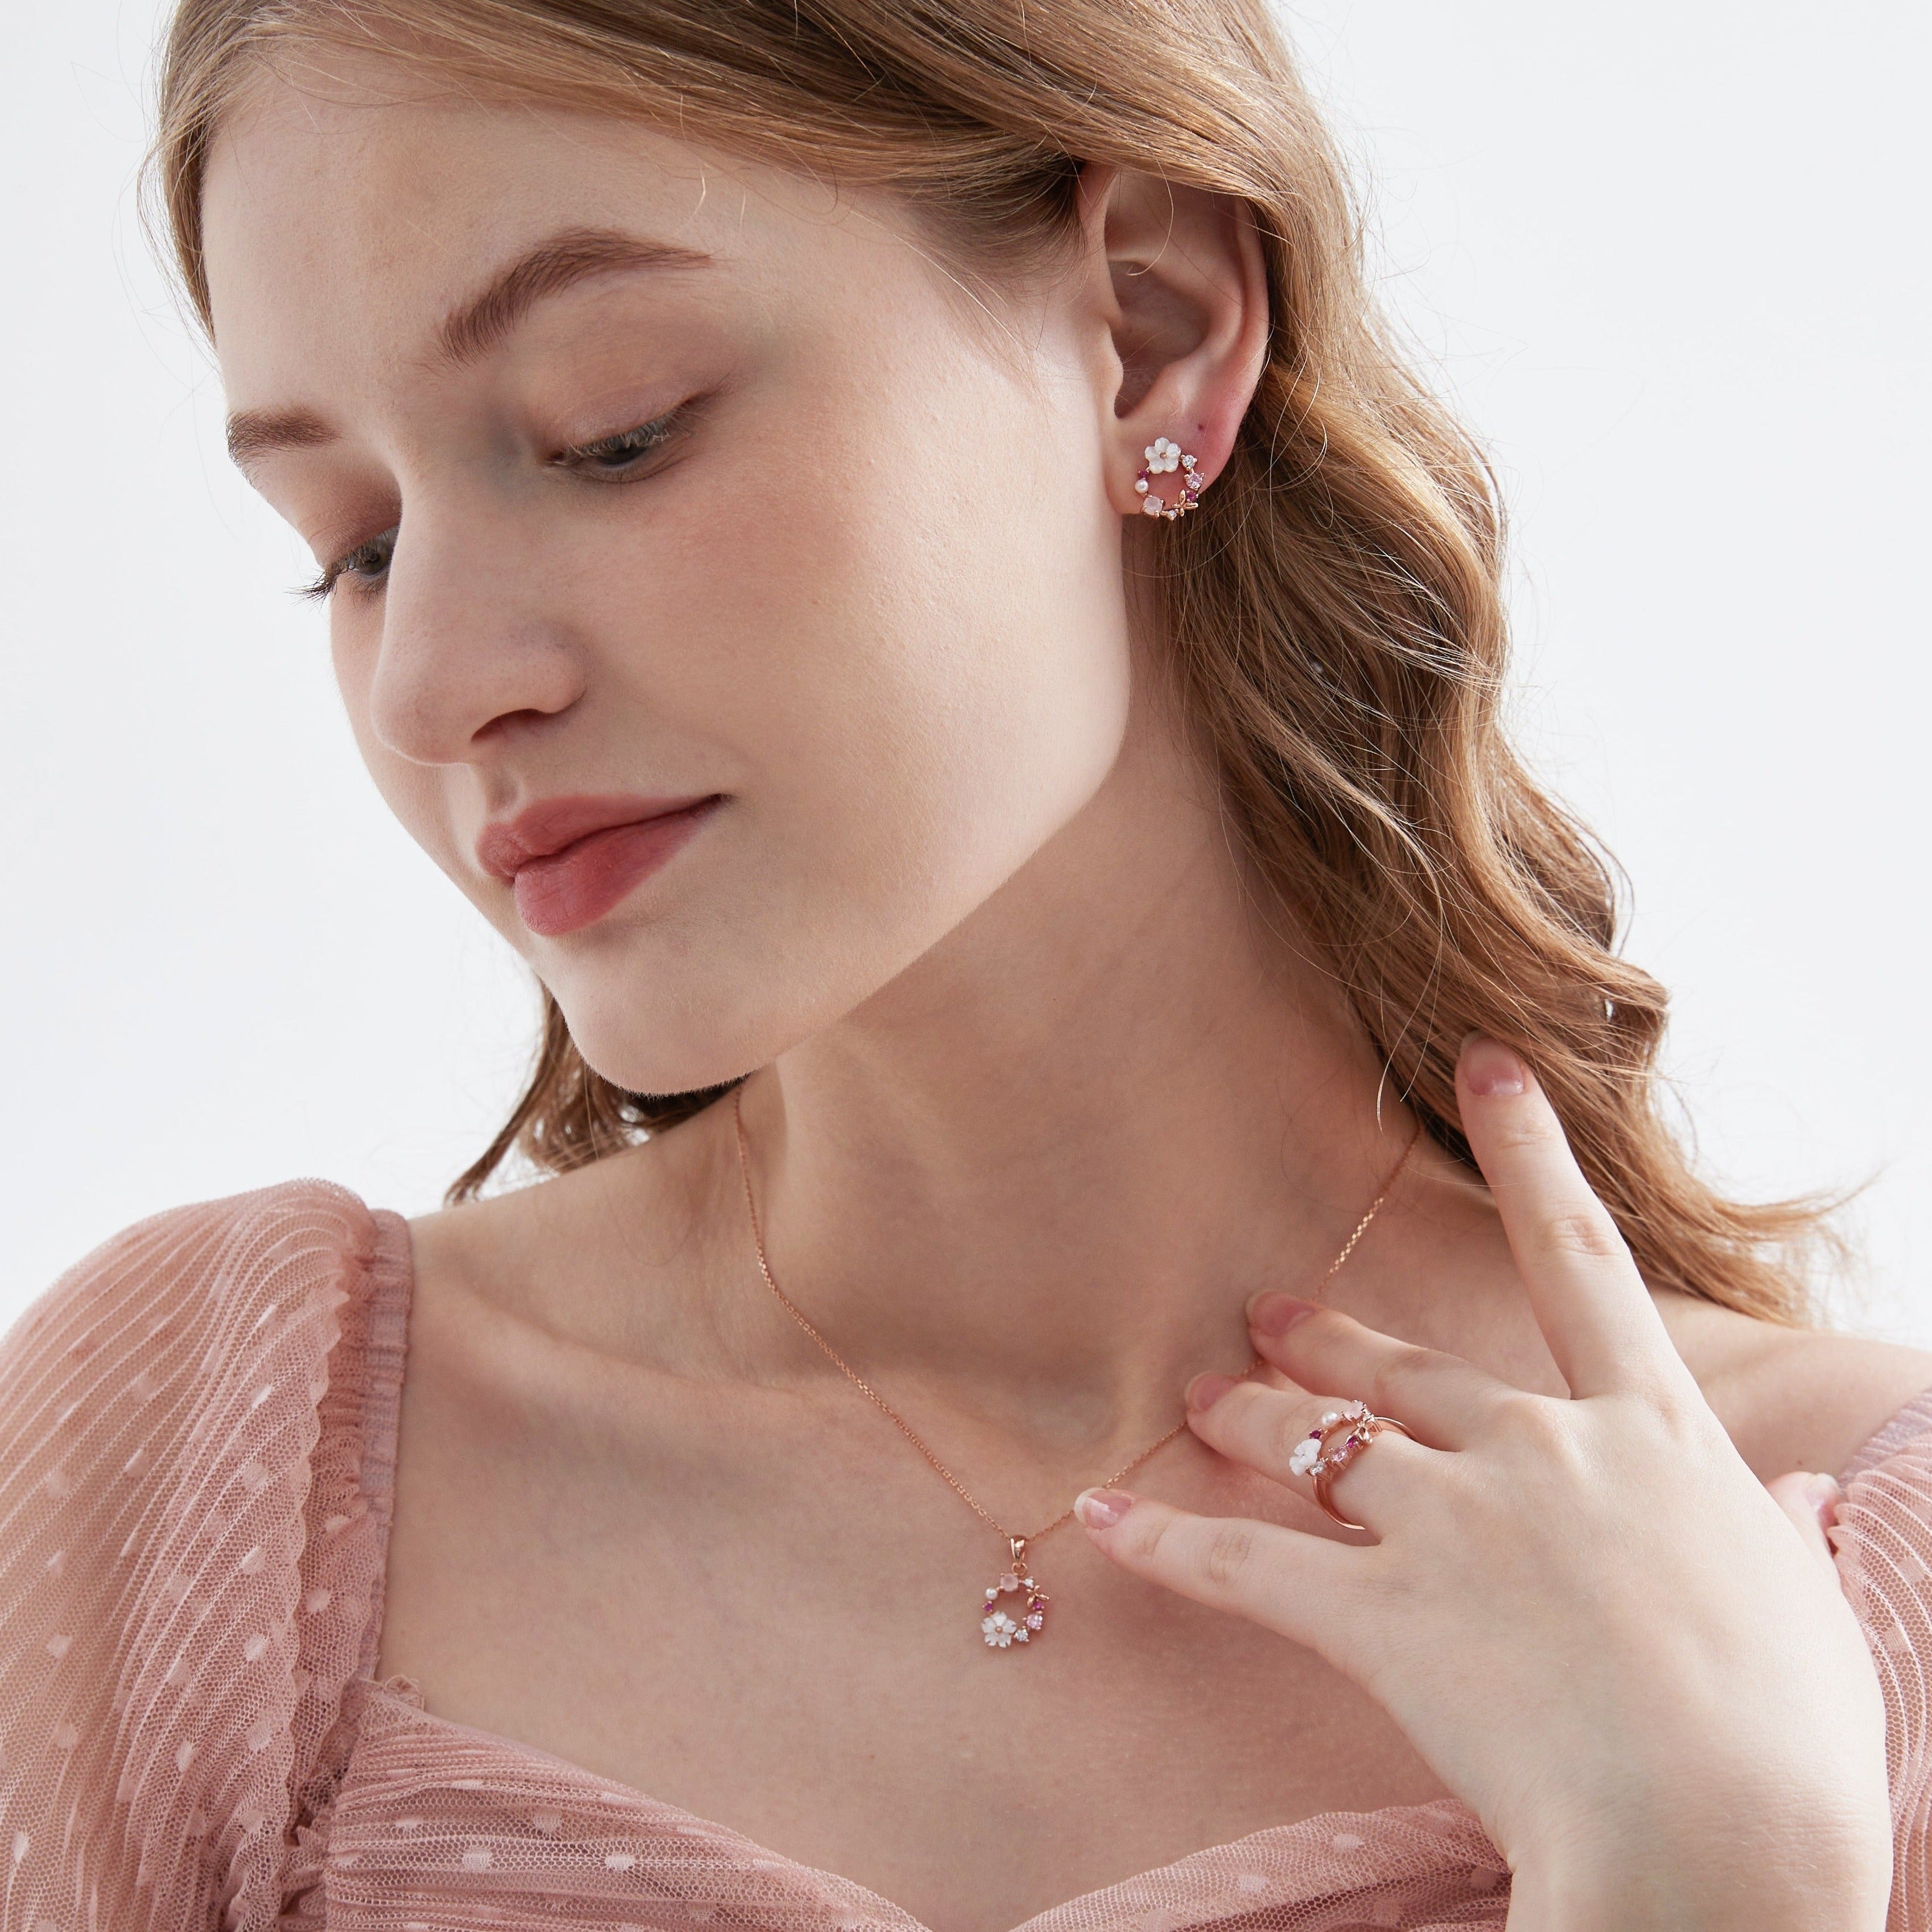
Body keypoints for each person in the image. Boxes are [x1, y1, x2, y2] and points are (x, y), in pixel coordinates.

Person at [2, 1, 1927, 1926]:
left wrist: (1723, 1862)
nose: (430, 684)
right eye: (351, 543)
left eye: (615, 432)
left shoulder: (1843, 1601)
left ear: (1152, 334)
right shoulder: (204, 1484)